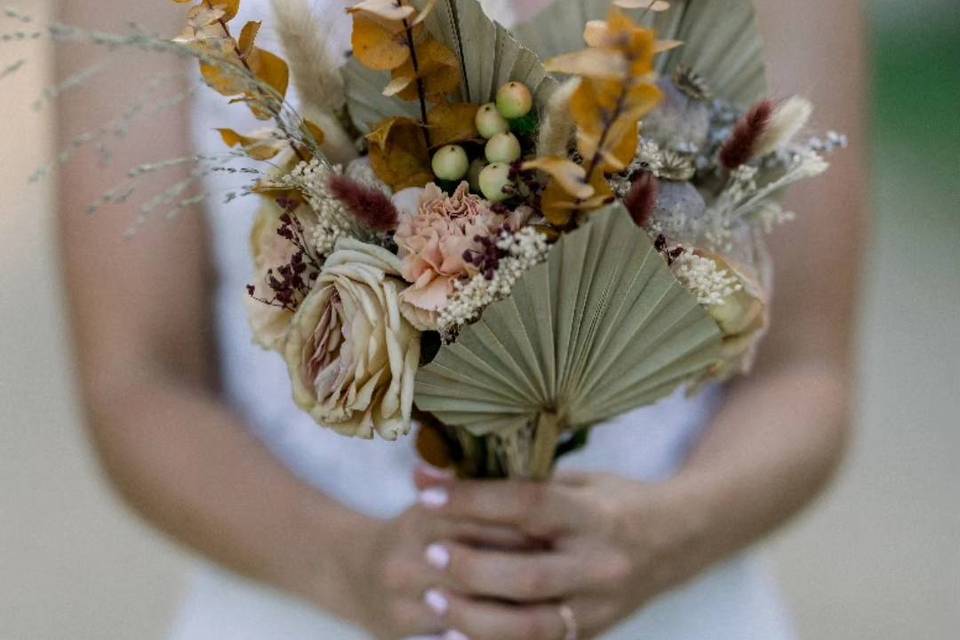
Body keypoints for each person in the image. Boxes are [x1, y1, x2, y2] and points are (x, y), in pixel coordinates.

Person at [58, 0, 867, 638]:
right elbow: (137, 381)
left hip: (671, 611)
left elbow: (807, 371)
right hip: (299, 606)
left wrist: (666, 534)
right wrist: (349, 563)